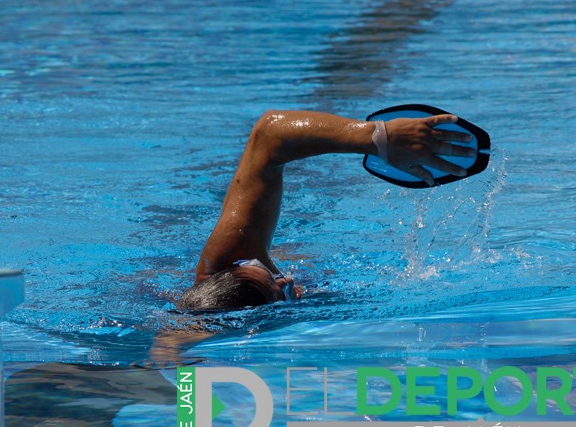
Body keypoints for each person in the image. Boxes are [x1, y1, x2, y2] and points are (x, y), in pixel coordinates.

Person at [178, 110, 476, 311]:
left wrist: (378, 138)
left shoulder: (230, 253)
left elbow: (269, 133)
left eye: (262, 270)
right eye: (279, 292)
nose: (286, 279)